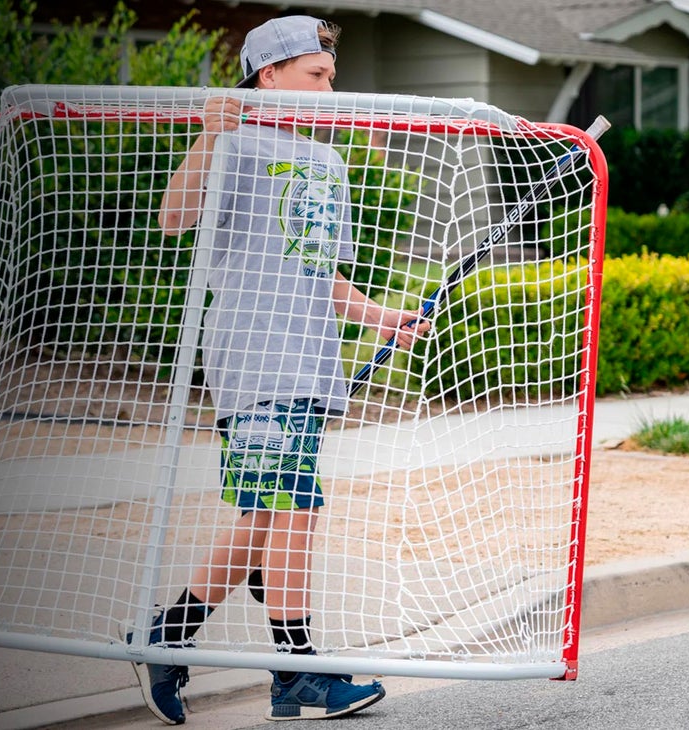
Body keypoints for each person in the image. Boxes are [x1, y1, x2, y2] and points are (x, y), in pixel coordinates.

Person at [131, 15, 429, 725]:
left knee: (268, 518)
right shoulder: (233, 142)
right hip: (254, 356)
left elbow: (320, 274)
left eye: (332, 75)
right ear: (269, 74)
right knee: (296, 512)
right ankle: (296, 672)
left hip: (311, 361)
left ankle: (166, 638)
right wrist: (208, 134)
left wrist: (386, 318)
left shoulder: (328, 164)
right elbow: (174, 218)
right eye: (316, 74)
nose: (331, 88)